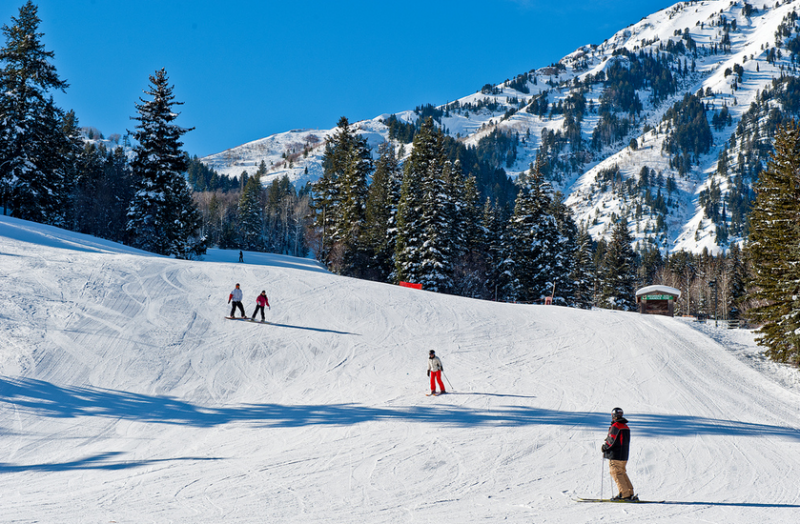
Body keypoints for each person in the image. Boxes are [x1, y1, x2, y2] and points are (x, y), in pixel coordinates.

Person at [601, 407, 637, 501]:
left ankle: (624, 494)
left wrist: (605, 447)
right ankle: (629, 492)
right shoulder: (625, 426)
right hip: (624, 455)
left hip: (616, 454)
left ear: (614, 416)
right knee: (621, 472)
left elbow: (611, 440)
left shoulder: (616, 426)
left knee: (616, 472)